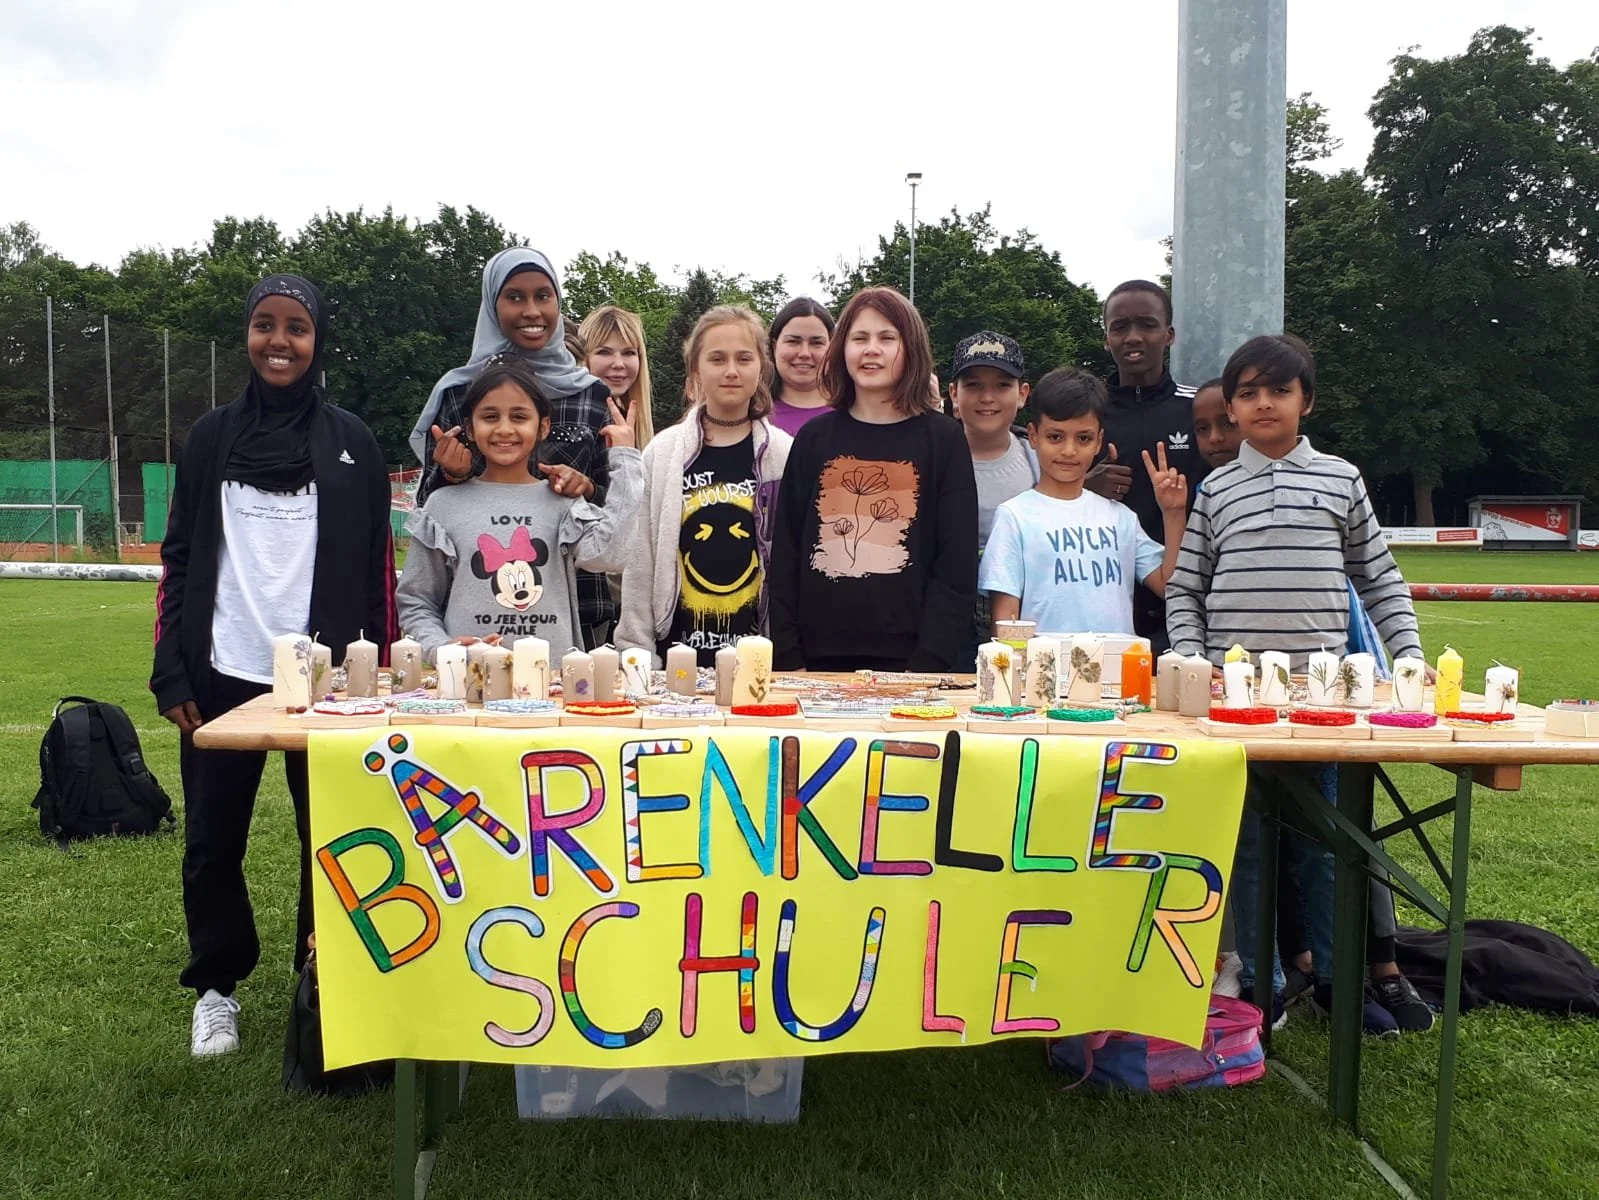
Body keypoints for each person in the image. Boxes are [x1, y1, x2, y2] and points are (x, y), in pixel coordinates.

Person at [151, 274, 397, 1058]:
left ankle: (316, 983)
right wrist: (172, 672)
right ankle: (216, 988)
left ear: (318, 339)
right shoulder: (210, 437)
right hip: (221, 674)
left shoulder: (352, 439)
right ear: (248, 336)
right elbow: (180, 555)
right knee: (211, 842)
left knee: (326, 839)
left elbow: (374, 573)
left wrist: (378, 676)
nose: (279, 340)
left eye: (296, 326)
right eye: (265, 325)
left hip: (324, 684)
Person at [1165, 333, 1434, 1034]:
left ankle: (1336, 983)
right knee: (1248, 843)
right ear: (1231, 406)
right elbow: (1185, 590)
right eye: (1246, 393)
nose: (1260, 404)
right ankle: (1262, 981)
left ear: (1304, 401)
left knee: (1325, 844)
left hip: (1322, 702)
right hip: (1234, 704)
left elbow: (1378, 578)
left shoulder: (1340, 479)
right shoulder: (1216, 489)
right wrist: (1194, 662)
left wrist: (1407, 658)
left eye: (1276, 391)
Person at [408, 248, 619, 647]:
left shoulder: (591, 395)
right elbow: (433, 512)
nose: (531, 311)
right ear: (492, 304)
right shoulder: (461, 392)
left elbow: (618, 507)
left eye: (543, 295)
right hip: (475, 627)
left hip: (576, 615)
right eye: (515, 297)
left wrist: (586, 489)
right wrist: (453, 472)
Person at [770, 287, 977, 672]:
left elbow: (956, 563)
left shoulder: (943, 439)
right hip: (815, 661)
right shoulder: (815, 438)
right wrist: (788, 654)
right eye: (859, 338)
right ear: (842, 349)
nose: (871, 350)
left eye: (887, 338)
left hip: (913, 664)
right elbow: (785, 553)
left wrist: (929, 662)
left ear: (911, 348)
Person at [397, 361, 640, 660]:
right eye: (490, 416)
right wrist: (443, 650)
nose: (504, 429)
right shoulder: (442, 505)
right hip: (469, 687)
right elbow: (416, 600)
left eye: (519, 416)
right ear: (471, 428)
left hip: (552, 685)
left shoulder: (563, 502)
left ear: (543, 426)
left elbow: (613, 556)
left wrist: (625, 458)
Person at [617, 307, 792, 666]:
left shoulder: (783, 453)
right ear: (696, 368)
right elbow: (640, 560)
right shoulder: (663, 454)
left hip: (759, 660)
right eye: (717, 359)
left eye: (744, 358)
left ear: (762, 366)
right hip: (675, 660)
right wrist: (636, 652)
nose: (731, 370)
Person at [980, 368, 1186, 635]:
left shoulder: (1122, 517)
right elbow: (1005, 618)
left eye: (1083, 438)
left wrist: (1173, 513)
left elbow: (1170, 587)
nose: (1069, 450)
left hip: (1117, 670)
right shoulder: (1015, 515)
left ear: (1099, 440)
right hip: (1044, 672)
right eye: (1055, 436)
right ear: (1033, 435)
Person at [1088, 279, 1205, 651]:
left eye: (1147, 325)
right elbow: (1050, 493)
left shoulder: (1199, 411)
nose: (1133, 337)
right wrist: (1086, 487)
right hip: (1105, 608)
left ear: (1168, 335)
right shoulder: (1086, 414)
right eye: (1120, 327)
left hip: (1188, 609)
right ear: (1107, 339)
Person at [580, 304, 656, 450]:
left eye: (628, 353)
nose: (619, 364)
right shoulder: (572, 423)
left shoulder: (633, 425)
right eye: (604, 352)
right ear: (584, 357)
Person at [767, 297, 835, 436]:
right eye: (793, 341)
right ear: (774, 347)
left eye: (816, 343)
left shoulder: (855, 413)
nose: (805, 353)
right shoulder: (753, 415)